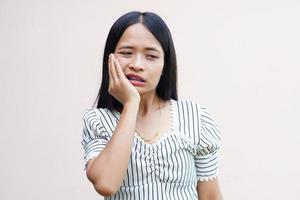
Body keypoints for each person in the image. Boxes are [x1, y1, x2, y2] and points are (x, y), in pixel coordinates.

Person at [81, 11, 223, 200]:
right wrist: (131, 103)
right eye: (126, 53)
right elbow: (106, 184)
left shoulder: (196, 118)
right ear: (110, 58)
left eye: (151, 56)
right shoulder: (98, 121)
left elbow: (210, 197)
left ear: (165, 65)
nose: (137, 64)